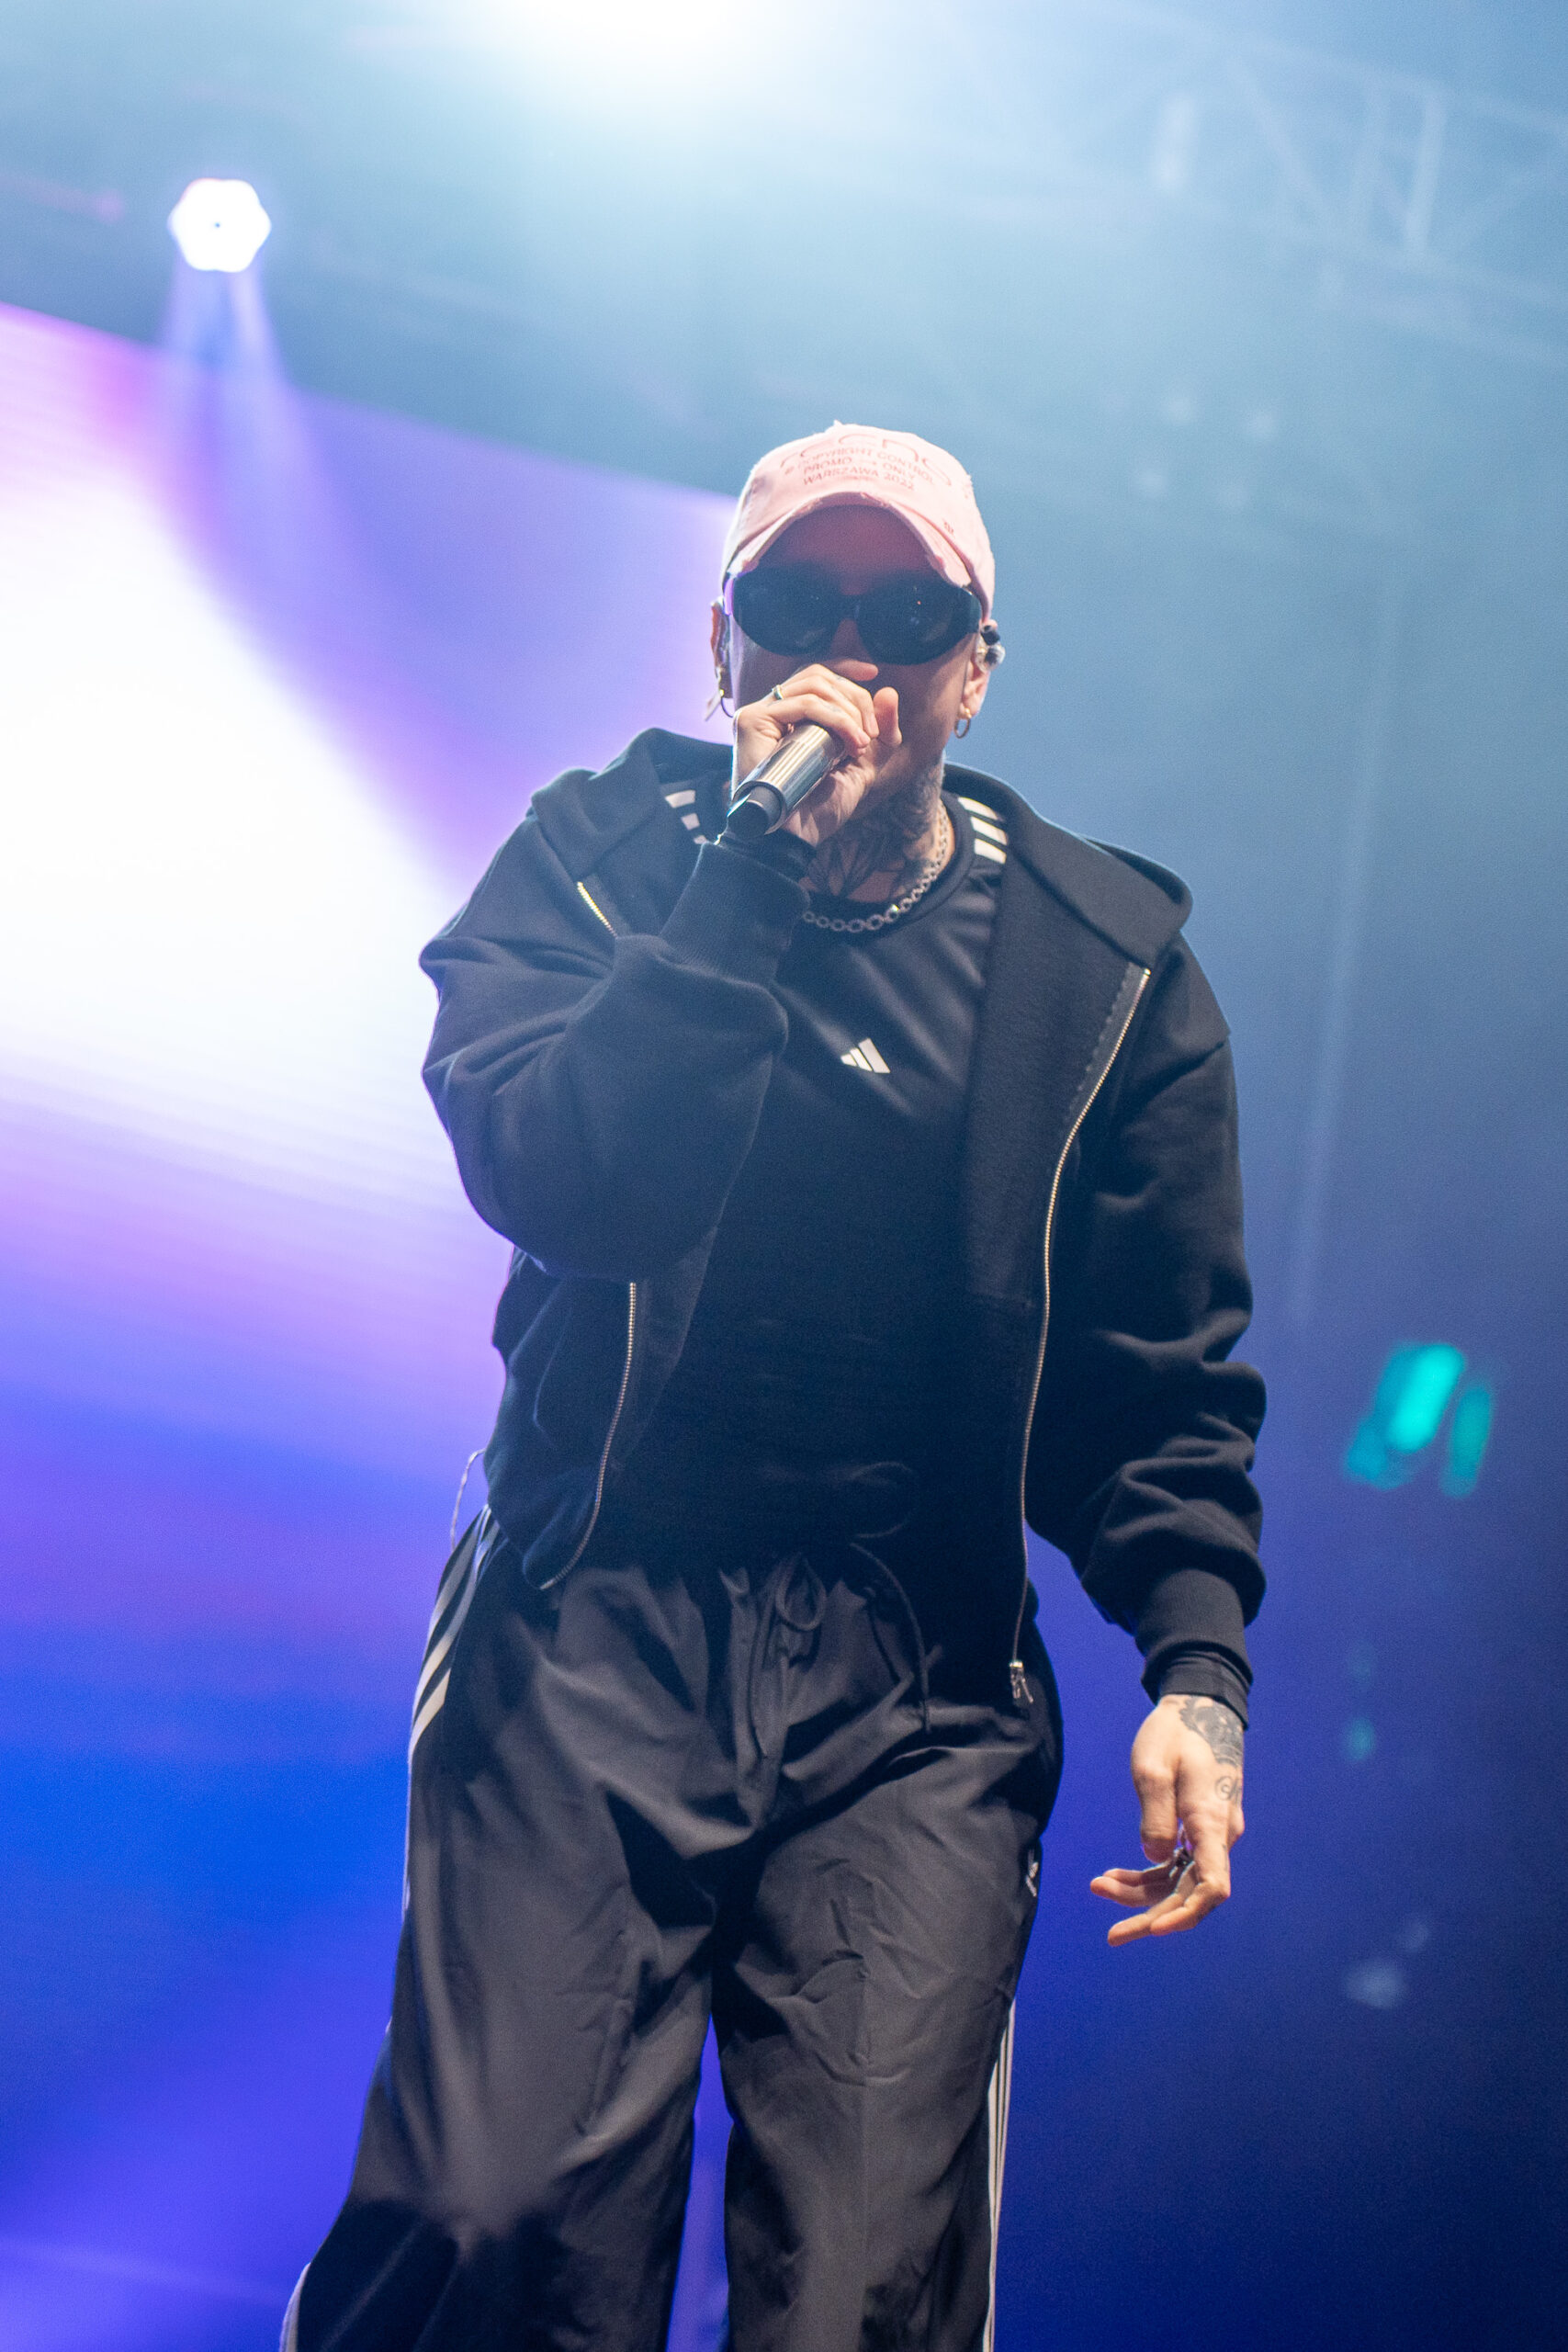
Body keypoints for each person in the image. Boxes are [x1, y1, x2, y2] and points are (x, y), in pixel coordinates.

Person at [284, 423, 1264, 2352]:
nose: (851, 658)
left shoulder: (1103, 973)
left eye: (908, 618)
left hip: (915, 1687)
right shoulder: (597, 865)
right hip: (591, 1619)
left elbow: (1157, 1377)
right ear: (720, 644)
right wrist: (742, 880)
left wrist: (1197, 1669)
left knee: (856, 2292)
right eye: (799, 605)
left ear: (976, 672)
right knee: (492, 2237)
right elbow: (573, 1181)